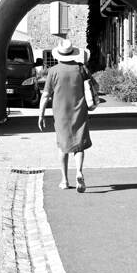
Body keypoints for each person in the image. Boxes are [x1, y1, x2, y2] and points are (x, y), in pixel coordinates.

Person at [38, 39, 92, 191]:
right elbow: (93, 86)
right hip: (79, 111)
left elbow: (45, 95)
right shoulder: (81, 69)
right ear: (72, 53)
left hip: (61, 113)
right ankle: (79, 172)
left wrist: (41, 115)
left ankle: (64, 180)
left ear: (59, 54)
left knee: (63, 146)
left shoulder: (53, 71)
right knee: (79, 145)